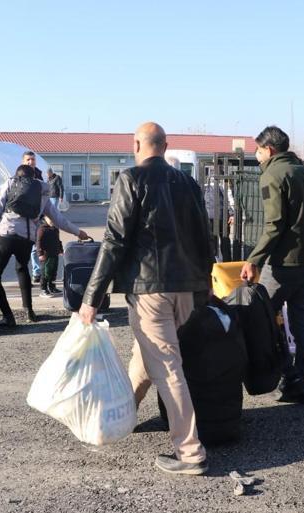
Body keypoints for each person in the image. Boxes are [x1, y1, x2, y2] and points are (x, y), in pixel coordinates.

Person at [78, 122, 212, 476]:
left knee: (166, 369)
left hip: (150, 289)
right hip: (186, 289)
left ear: (137, 144)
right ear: (165, 146)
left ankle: (190, 452)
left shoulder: (131, 179)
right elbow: (204, 236)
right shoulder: (188, 183)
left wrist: (91, 297)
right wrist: (205, 289)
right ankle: (118, 418)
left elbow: (114, 240)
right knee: (146, 358)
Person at [239, 126, 304, 404]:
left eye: (258, 149)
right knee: (300, 322)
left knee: (261, 318)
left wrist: (254, 260)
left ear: (269, 150)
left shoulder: (272, 174)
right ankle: (302, 381)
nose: (256, 155)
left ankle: (284, 375)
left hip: (282, 264)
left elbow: (274, 224)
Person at [0, 164, 89, 328]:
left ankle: (7, 316)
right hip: (27, 239)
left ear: (17, 176)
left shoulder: (10, 183)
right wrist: (78, 232)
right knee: (22, 269)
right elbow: (57, 218)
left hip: (6, 236)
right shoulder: (42, 191)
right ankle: (29, 312)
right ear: (34, 176)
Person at [22, 151, 46, 283]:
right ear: (23, 162)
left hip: (38, 216)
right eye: (28, 160)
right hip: (24, 217)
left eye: (33, 159)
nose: (31, 162)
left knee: (37, 246)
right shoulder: (19, 175)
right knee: (26, 247)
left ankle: (37, 273)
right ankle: (26, 274)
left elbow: (44, 195)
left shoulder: (39, 175)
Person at [203, 169, 235, 261]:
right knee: (225, 239)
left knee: (212, 240)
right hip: (222, 215)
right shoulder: (224, 183)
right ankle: (227, 262)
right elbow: (229, 199)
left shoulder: (206, 184)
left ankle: (212, 261)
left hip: (209, 215)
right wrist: (232, 213)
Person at [35, 216, 63, 297]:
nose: (52, 221)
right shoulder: (42, 229)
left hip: (54, 254)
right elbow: (39, 242)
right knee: (45, 272)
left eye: (53, 219)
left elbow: (58, 240)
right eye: (50, 219)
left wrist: (60, 249)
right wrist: (40, 254)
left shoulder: (55, 229)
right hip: (46, 255)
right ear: (45, 219)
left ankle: (52, 287)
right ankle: (43, 289)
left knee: (53, 272)